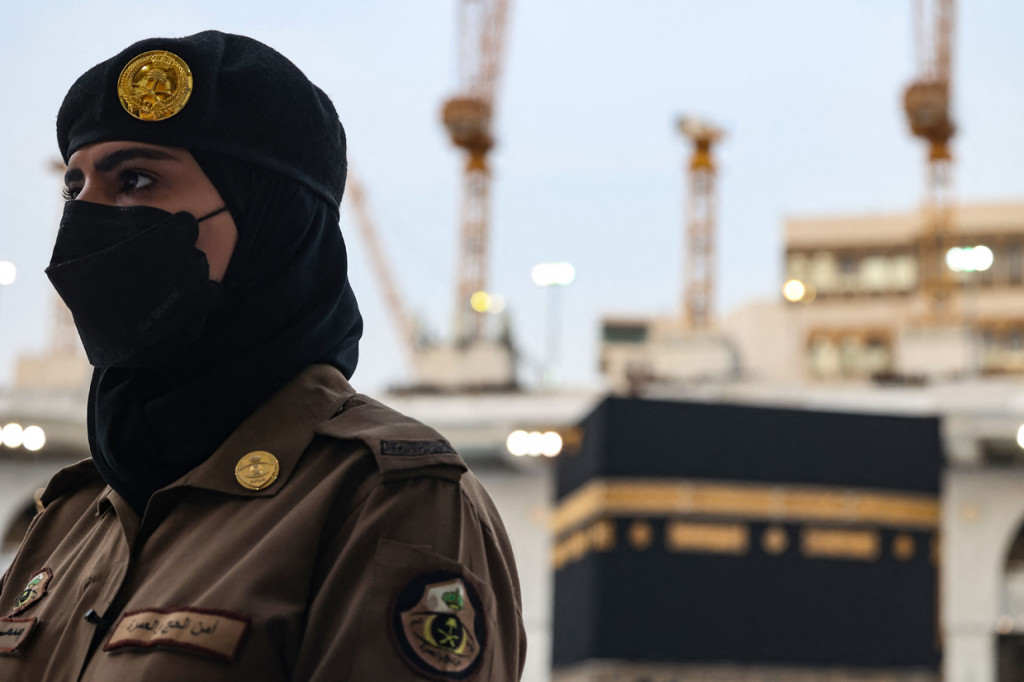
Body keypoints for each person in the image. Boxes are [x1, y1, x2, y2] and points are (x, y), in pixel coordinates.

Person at [0, 31, 526, 681]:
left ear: (270, 219)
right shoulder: (72, 518)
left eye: (135, 180)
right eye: (74, 189)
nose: (85, 220)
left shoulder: (385, 499)